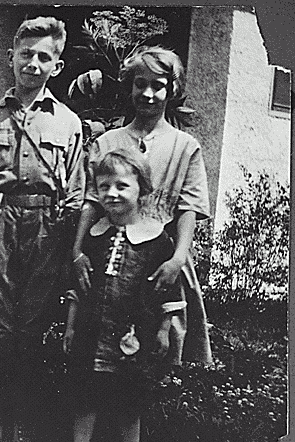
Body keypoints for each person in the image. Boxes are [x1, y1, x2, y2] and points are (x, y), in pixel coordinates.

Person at [0, 16, 85, 442]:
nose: (32, 63)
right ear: (11, 57)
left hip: (48, 228)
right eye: (25, 54)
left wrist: (72, 248)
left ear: (57, 65)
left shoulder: (68, 123)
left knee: (31, 329)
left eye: (43, 56)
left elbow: (79, 190)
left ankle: (23, 428)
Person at [72, 45, 212, 366]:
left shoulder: (185, 146)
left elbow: (188, 208)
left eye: (158, 86)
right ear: (130, 86)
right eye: (140, 84)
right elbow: (92, 201)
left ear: (172, 89)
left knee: (155, 351)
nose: (148, 93)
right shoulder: (107, 142)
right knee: (97, 346)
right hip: (107, 253)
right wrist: (77, 251)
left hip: (159, 258)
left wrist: (178, 259)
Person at [63, 147, 186, 442]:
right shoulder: (94, 234)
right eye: (104, 186)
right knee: (85, 395)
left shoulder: (157, 239)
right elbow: (79, 287)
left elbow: (168, 292)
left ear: (141, 189)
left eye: (121, 186)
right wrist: (70, 326)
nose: (112, 193)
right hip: (91, 332)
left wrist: (162, 330)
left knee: (129, 401)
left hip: (134, 335)